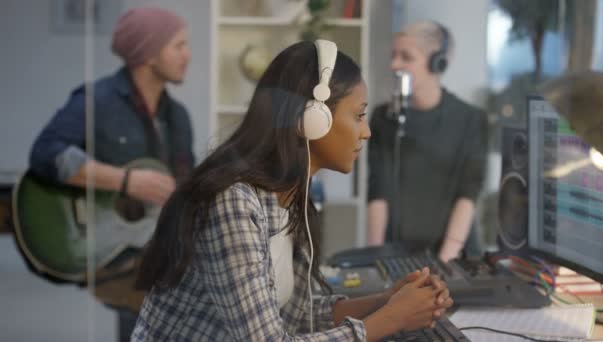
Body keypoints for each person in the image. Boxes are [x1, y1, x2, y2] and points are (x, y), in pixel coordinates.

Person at [132, 40, 453, 341]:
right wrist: (393, 318)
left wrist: (388, 301)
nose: (366, 131)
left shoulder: (287, 196)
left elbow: (298, 316)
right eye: (358, 115)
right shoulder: (232, 201)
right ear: (312, 118)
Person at [28, 6, 194, 340]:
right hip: (109, 251)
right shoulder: (96, 101)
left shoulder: (178, 117)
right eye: (179, 45)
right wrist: (127, 181)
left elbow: (187, 189)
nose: (187, 55)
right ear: (148, 53)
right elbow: (45, 153)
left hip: (158, 250)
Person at [367, 21, 488, 262]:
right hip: (397, 256)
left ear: (437, 63)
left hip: (454, 257)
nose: (394, 65)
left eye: (406, 57)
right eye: (394, 56)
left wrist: (445, 263)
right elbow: (378, 191)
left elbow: (468, 194)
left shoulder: (471, 119)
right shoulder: (383, 118)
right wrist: (374, 258)